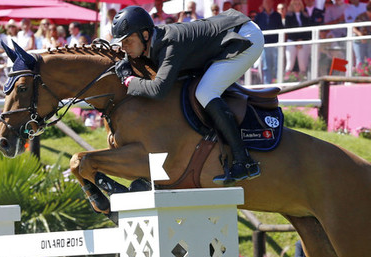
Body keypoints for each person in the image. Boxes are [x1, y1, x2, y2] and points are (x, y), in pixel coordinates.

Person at [111, 5, 264, 185]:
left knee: (206, 91)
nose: (124, 47)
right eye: (122, 42)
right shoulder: (152, 40)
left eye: (127, 41)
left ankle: (244, 160)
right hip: (228, 32)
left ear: (145, 35)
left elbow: (159, 90)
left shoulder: (170, 45)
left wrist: (128, 80)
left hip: (245, 37)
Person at [284, 0, 312, 80]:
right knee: (290, 63)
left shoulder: (305, 16)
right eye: (295, 4)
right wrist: (296, 40)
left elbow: (307, 30)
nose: (297, 6)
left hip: (303, 41)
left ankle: (303, 79)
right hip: (292, 41)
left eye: (299, 4)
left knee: (303, 64)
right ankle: (286, 80)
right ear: (292, 5)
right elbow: (288, 29)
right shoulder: (289, 16)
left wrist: (301, 40)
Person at [352, 2, 371, 69]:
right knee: (360, 60)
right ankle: (360, 77)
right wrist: (360, 35)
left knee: (370, 59)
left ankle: (370, 74)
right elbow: (354, 28)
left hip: (370, 41)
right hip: (359, 42)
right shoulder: (361, 17)